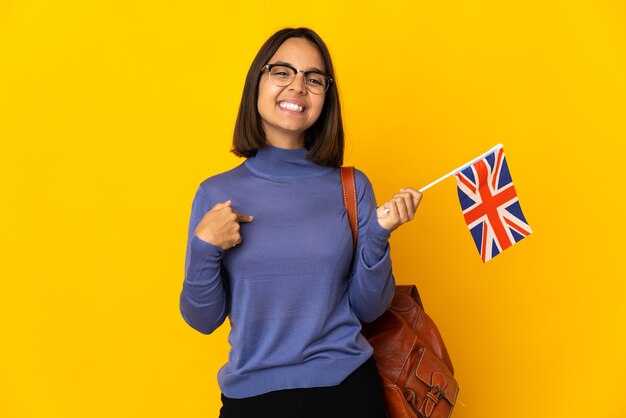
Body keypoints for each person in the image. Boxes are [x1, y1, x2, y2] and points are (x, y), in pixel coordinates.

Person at [180, 27, 422, 418]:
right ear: (257, 81)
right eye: (282, 72)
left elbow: (368, 309)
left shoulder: (352, 186)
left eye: (313, 79)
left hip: (348, 392)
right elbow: (202, 319)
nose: (298, 87)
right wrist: (204, 246)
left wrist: (378, 236)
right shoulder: (216, 193)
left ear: (325, 97)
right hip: (253, 400)